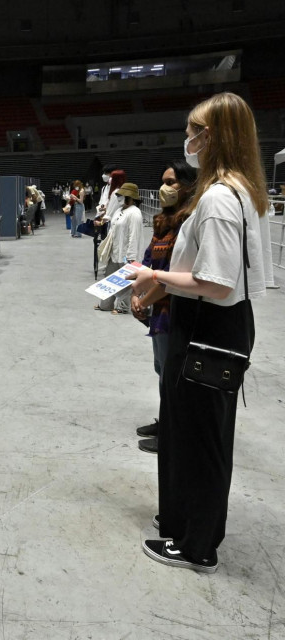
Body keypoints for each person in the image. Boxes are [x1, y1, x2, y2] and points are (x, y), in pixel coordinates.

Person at [130, 92, 267, 573]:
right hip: (215, 321)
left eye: (195, 130)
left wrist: (155, 278)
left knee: (201, 437)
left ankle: (196, 544)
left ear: (214, 136)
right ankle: (185, 522)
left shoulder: (218, 199)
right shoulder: (239, 191)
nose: (188, 138)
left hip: (209, 324)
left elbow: (216, 280)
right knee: (193, 431)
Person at [131, 160, 198, 454]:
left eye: (171, 182)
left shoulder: (187, 224)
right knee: (162, 370)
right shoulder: (162, 221)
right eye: (163, 181)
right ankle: (167, 421)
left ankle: (174, 432)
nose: (164, 188)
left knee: (173, 374)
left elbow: (171, 274)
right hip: (157, 312)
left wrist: (143, 299)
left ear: (187, 186)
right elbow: (148, 262)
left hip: (175, 312)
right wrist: (135, 293)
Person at [95, 182, 144, 313]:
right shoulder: (119, 210)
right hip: (115, 251)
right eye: (119, 194)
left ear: (132, 197)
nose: (120, 197)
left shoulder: (135, 213)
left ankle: (123, 307)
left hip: (126, 254)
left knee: (126, 282)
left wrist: (131, 256)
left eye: (123, 195)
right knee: (109, 278)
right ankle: (105, 304)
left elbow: (134, 235)